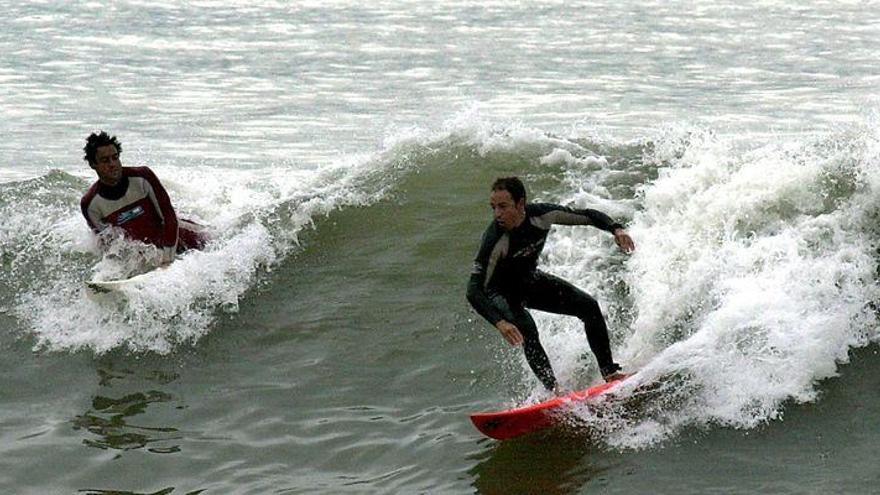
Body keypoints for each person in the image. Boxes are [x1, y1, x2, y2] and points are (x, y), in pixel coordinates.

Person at [466, 176, 635, 393]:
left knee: (588, 306)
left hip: (528, 281)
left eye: (503, 206)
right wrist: (500, 322)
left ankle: (610, 373)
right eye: (493, 207)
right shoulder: (495, 240)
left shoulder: (542, 215)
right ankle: (554, 391)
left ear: (520, 204)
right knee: (526, 329)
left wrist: (616, 229)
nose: (497, 214)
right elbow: (473, 290)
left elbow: (587, 216)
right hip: (499, 293)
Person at [80, 131, 206, 265]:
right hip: (153, 253)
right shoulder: (91, 204)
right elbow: (108, 244)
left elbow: (169, 217)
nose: (112, 164)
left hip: (186, 239)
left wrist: (167, 261)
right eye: (105, 160)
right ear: (93, 164)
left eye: (115, 157)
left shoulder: (142, 177)